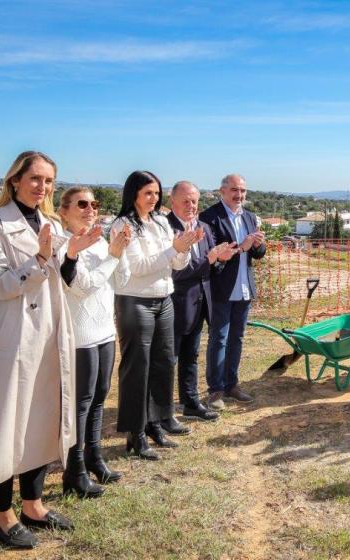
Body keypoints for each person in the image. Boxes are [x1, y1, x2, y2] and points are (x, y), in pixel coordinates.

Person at [0, 151, 86, 548]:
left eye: (49, 181)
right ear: (15, 180)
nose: (43, 187)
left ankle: (33, 504)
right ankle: (2, 516)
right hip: (13, 339)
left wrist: (72, 252)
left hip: (50, 334)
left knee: (42, 417)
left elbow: (65, 279)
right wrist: (38, 259)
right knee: (7, 423)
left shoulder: (52, 223)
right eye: (35, 178)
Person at [112, 171, 201, 460]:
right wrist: (173, 250)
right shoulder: (123, 225)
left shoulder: (161, 222)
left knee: (163, 364)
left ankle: (156, 424)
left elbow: (176, 263)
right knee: (138, 369)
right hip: (135, 302)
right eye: (148, 193)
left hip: (163, 299)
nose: (154, 198)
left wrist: (183, 248)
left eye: (156, 193)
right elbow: (137, 266)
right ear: (133, 194)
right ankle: (134, 434)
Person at [57, 187, 132, 498]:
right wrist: (112, 257)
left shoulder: (100, 240)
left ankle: (94, 458)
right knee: (81, 403)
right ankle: (73, 471)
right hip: (80, 334)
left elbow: (122, 280)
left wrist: (120, 250)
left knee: (99, 397)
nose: (90, 209)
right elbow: (82, 286)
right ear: (63, 211)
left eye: (94, 203)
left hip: (104, 331)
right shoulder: (64, 244)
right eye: (82, 204)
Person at [166, 181, 234, 420]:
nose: (191, 205)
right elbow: (176, 271)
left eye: (194, 201)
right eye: (185, 201)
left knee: (191, 355)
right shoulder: (166, 228)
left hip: (200, 303)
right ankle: (163, 411)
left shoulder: (203, 226)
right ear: (171, 201)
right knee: (170, 359)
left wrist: (220, 258)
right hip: (175, 304)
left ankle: (190, 401)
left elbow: (209, 269)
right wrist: (211, 259)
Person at [200, 174, 266, 410]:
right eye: (234, 190)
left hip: (244, 287)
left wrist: (258, 245)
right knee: (219, 339)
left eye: (243, 191)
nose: (239, 195)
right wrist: (242, 247)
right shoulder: (210, 218)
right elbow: (214, 253)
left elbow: (258, 253)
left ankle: (232, 385)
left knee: (236, 338)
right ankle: (215, 390)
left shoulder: (249, 217)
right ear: (223, 191)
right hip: (221, 288)